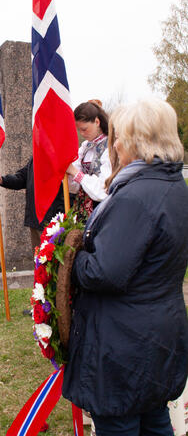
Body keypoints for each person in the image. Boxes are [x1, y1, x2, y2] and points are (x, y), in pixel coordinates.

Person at [62, 99, 188, 436]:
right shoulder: (174, 186)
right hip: (155, 332)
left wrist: (69, 256)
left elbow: (104, 272)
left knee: (121, 424)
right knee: (154, 420)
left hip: (123, 344)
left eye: (119, 137)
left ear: (137, 141)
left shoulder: (136, 196)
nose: (114, 144)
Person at [0, 156, 66, 253]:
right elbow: (22, 178)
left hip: (53, 221)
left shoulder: (60, 154)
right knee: (39, 261)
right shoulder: (36, 156)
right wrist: (3, 180)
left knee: (52, 263)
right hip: (35, 219)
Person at [66, 101, 111, 221]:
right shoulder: (85, 146)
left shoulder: (111, 147)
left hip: (102, 210)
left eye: (84, 129)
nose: (82, 133)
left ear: (97, 122)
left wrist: (75, 172)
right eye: (79, 130)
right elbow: (74, 188)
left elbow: (103, 190)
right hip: (81, 210)